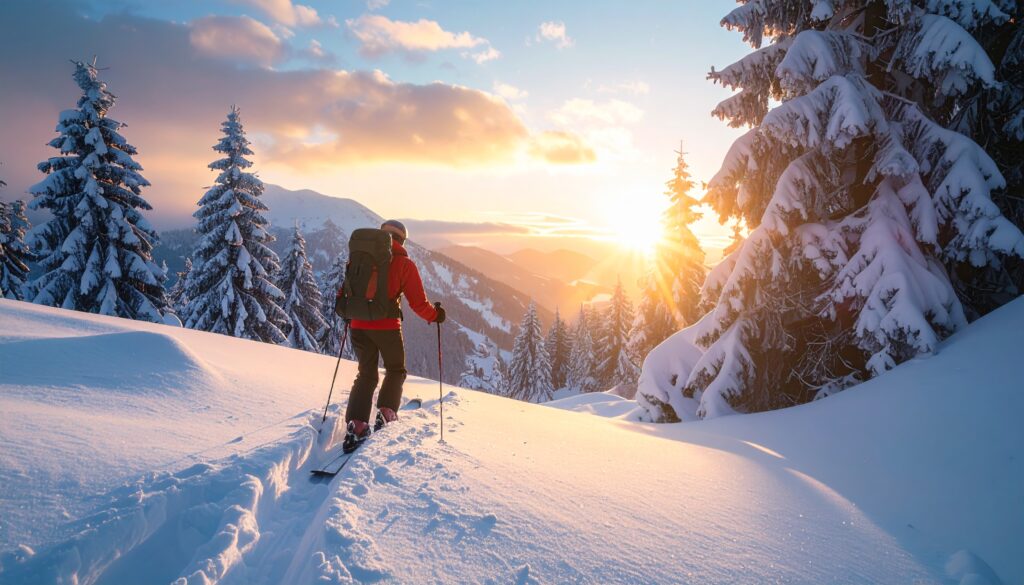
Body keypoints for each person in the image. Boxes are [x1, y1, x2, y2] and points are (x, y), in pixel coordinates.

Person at [343, 219, 446, 451]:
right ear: (402, 240)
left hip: (358, 325)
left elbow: (346, 291)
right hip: (387, 327)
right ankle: (386, 412)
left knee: (366, 374)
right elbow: (418, 303)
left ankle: (356, 424)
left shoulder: (359, 258)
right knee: (395, 369)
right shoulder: (404, 264)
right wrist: (435, 315)